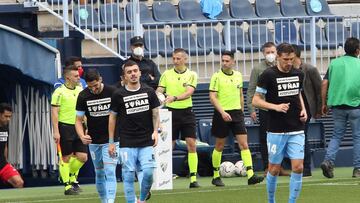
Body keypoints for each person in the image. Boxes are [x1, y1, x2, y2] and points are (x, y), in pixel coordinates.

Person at [252, 43, 307, 203]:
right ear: (278, 57)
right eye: (285, 59)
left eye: (291, 59)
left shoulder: (298, 74)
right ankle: (271, 201)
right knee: (274, 169)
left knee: (298, 167)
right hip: (276, 130)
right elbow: (255, 100)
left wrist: (303, 110)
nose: (289, 62)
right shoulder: (268, 75)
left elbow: (297, 94)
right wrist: (275, 107)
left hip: (296, 128)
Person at [209, 51, 264, 187]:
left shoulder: (238, 75)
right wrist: (222, 112)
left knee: (244, 144)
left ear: (233, 62)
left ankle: (250, 175)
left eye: (227, 61)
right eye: (223, 60)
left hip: (236, 114)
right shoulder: (216, 76)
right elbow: (213, 97)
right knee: (219, 145)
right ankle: (216, 175)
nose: (224, 63)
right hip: (221, 113)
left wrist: (241, 111)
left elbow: (240, 94)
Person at [108, 60, 160, 203]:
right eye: (129, 72)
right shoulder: (118, 94)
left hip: (146, 141)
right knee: (128, 175)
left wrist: (156, 131)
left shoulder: (149, 91)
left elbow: (155, 113)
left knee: (149, 173)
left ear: (140, 73)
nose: (133, 74)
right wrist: (111, 142)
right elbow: (112, 118)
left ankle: (142, 200)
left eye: (135, 71)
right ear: (124, 76)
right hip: (126, 142)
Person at [156, 48, 200, 188]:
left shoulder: (192, 74)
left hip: (187, 112)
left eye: (178, 58)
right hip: (170, 113)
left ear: (185, 59)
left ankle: (193, 178)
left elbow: (189, 92)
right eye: (173, 58)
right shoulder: (166, 74)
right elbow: (159, 91)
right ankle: (165, 176)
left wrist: (174, 97)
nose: (175, 61)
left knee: (191, 144)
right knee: (168, 145)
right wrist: (158, 97)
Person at [75, 69, 118, 203]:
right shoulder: (83, 96)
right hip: (94, 140)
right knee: (99, 172)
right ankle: (104, 200)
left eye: (96, 85)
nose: (93, 89)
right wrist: (82, 136)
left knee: (110, 171)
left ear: (100, 79)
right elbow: (78, 120)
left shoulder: (112, 92)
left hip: (111, 140)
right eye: (90, 86)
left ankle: (110, 201)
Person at [246, 42, 289, 176]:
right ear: (263, 54)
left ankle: (280, 166)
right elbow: (251, 89)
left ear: (277, 52)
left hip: (281, 108)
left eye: (272, 52)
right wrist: (251, 109)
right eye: (267, 52)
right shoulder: (258, 69)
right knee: (265, 138)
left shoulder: (281, 66)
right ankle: (267, 167)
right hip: (265, 108)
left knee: (282, 138)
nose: (270, 55)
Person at [320, 37, 360, 179]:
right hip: (356, 106)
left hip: (337, 105)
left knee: (336, 135)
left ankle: (328, 161)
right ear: (357, 50)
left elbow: (324, 84)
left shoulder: (334, 63)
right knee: (358, 137)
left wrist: (324, 103)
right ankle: (358, 169)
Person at [51, 65, 88, 195]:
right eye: (76, 76)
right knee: (66, 157)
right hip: (65, 127)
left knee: (82, 157)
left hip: (79, 127)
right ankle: (67, 186)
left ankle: (70, 175)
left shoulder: (80, 90)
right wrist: (56, 131)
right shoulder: (59, 92)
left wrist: (86, 126)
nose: (79, 78)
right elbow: (54, 113)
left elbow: (84, 110)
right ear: (68, 78)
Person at [292, 44, 322, 177]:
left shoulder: (310, 69)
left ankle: (306, 168)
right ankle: (299, 166)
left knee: (302, 136)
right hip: (291, 109)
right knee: (297, 137)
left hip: (307, 109)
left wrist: (320, 108)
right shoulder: (287, 71)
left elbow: (319, 90)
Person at [0, 103, 24, 188]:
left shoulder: (5, 128)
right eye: (6, 116)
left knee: (19, 182)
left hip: (2, 164)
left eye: (10, 117)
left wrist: (6, 161)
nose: (8, 119)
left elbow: (5, 145)